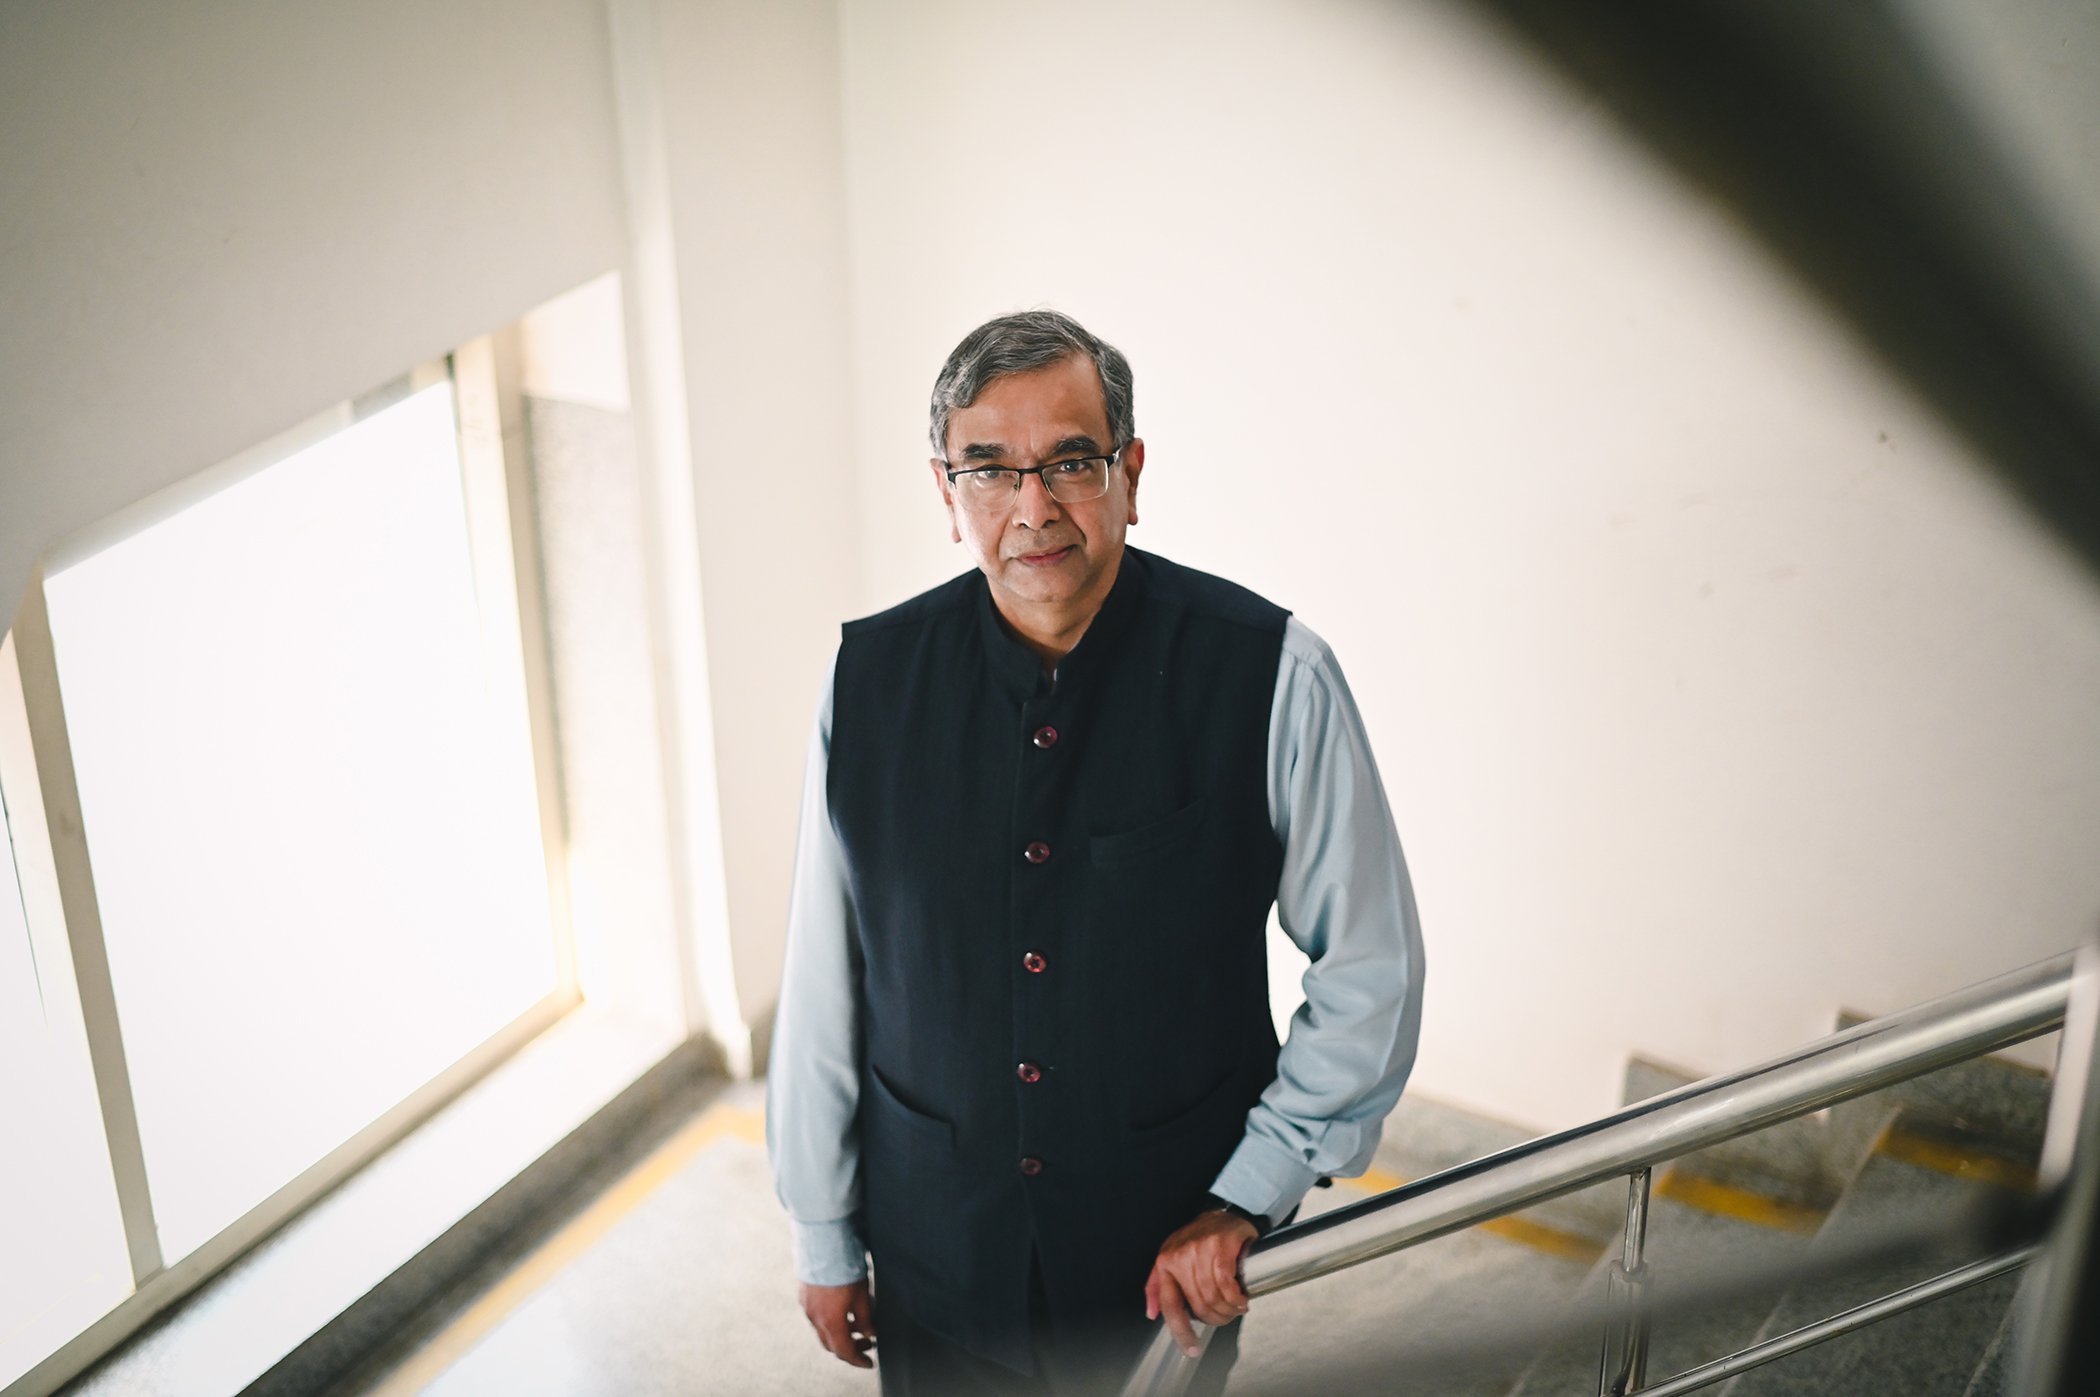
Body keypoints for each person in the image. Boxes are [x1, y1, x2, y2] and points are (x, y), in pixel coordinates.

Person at [767, 309, 1424, 1395]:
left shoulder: (1273, 674)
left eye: (1070, 461)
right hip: (934, 1259)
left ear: (1130, 470)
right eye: (989, 469)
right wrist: (824, 1232)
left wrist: (1250, 1192)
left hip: (1163, 1270)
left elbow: (1371, 966)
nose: (1033, 508)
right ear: (947, 493)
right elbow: (824, 978)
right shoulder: (868, 684)